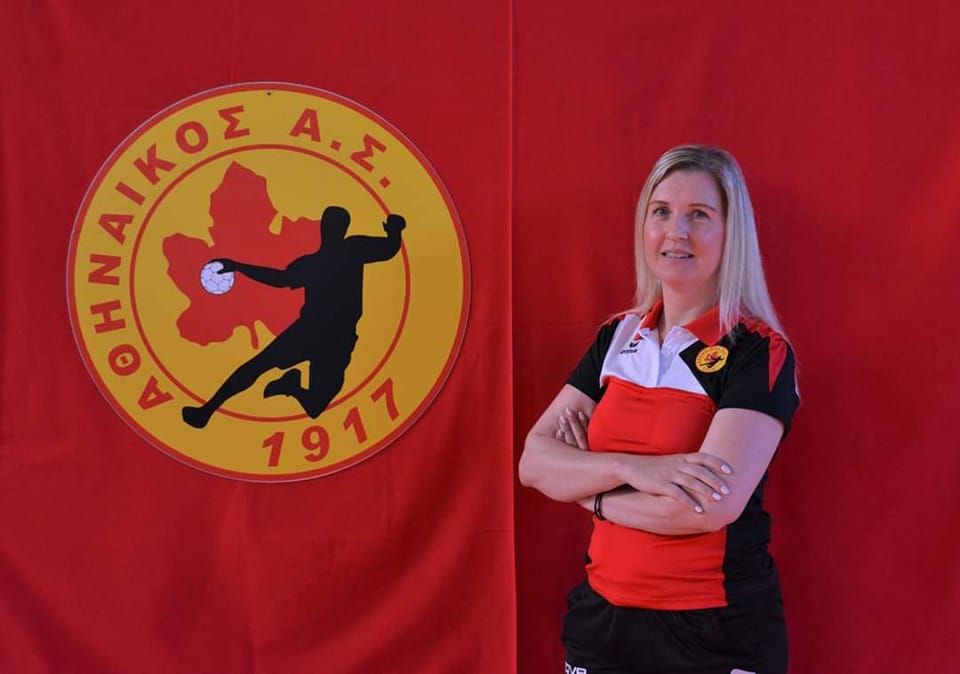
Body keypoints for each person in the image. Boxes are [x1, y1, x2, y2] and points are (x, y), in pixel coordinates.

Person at [518, 145, 799, 674]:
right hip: (603, 625)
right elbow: (534, 462)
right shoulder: (616, 337)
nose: (677, 231)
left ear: (731, 233)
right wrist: (632, 468)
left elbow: (704, 509)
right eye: (662, 211)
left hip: (713, 633)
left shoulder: (758, 351)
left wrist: (586, 491)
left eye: (700, 215)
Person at [182, 206, 406, 429]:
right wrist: (238, 267)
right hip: (308, 331)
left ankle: (291, 387)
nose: (330, 229)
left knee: (315, 406)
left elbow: (388, 249)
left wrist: (395, 231)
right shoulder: (314, 262)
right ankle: (206, 411)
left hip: (338, 339)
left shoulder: (352, 249)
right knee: (257, 366)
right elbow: (279, 279)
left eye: (334, 224)